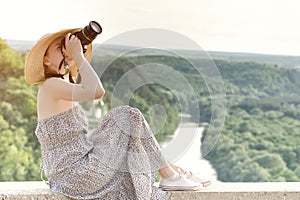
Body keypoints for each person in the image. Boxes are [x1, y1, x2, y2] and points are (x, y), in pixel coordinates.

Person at [24, 26, 209, 200]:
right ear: (46, 60)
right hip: (75, 175)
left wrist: (74, 56)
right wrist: (78, 57)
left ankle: (171, 170)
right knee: (127, 116)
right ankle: (170, 175)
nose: (66, 49)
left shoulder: (60, 84)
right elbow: (97, 91)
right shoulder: (50, 86)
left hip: (73, 174)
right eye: (59, 47)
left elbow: (89, 89)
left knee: (125, 132)